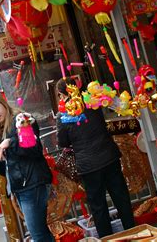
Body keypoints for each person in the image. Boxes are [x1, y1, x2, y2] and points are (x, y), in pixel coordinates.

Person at [55, 78, 135, 237]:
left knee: (99, 207)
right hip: (109, 157)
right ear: (77, 86)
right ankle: (134, 234)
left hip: (88, 166)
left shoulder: (63, 114)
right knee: (121, 198)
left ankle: (107, 239)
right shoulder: (92, 100)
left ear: (61, 94)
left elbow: (63, 142)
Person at [0, 90, 54, 242]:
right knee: (40, 232)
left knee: (38, 234)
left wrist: (11, 142)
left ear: (4, 104)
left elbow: (34, 150)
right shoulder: (3, 128)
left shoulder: (21, 119)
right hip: (23, 187)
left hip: (33, 185)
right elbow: (15, 162)